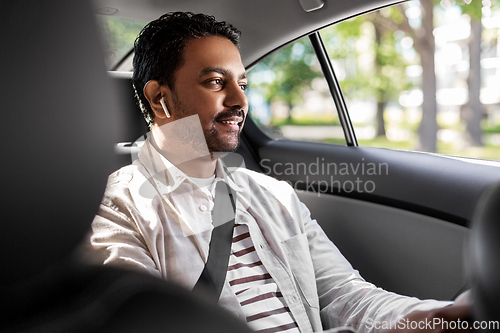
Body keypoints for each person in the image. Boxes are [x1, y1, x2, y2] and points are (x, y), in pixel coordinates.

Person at [89, 12, 473, 333]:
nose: (240, 101)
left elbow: (346, 296)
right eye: (216, 82)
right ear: (161, 99)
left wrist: (438, 318)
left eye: (242, 83)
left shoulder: (273, 195)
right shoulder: (114, 211)